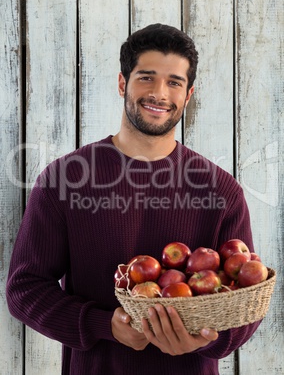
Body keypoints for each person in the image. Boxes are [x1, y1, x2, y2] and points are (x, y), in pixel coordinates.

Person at [6, 23, 260, 375]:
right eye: (146, 77)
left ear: (188, 95)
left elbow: (246, 300)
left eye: (174, 82)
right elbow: (25, 289)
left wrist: (207, 339)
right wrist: (103, 325)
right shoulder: (63, 179)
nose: (159, 93)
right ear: (123, 82)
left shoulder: (221, 190)